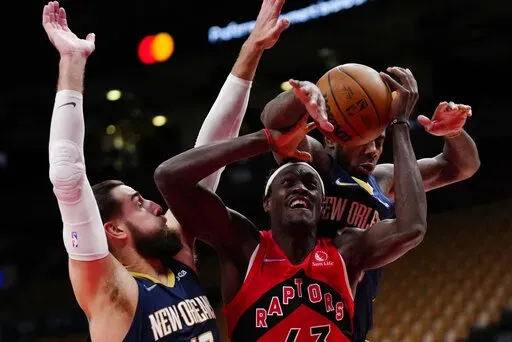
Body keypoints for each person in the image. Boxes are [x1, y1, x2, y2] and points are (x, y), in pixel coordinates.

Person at [43, 0, 289, 340]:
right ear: (114, 230)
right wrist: (71, 62)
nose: (157, 206)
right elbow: (67, 176)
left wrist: (253, 47)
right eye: (139, 203)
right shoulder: (111, 291)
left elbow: (210, 154)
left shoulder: (177, 256)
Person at [153, 69, 427, 341]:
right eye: (288, 182)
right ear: (267, 202)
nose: (300, 187)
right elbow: (169, 177)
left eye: (311, 184)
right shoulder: (245, 248)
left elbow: (411, 227)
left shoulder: (345, 251)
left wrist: (400, 124)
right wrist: (267, 139)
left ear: (321, 206)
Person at [260, 69, 480, 341]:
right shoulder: (316, 164)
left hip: (351, 324)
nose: (373, 151)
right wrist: (300, 98)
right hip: (297, 309)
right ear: (333, 138)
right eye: (365, 140)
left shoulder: (384, 179)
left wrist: (455, 133)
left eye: (379, 141)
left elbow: (462, 166)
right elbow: (274, 124)